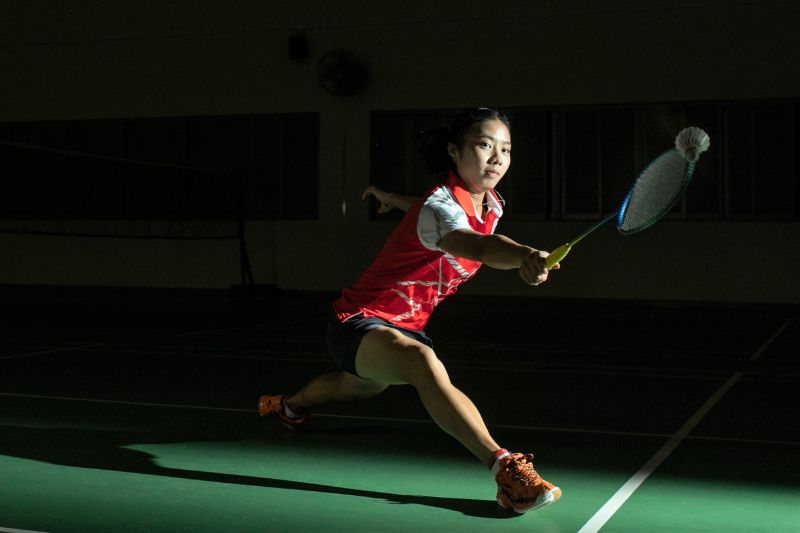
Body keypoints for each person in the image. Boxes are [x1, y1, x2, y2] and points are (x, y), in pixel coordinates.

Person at [258, 107, 561, 514]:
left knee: (352, 386)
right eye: (484, 145)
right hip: (358, 320)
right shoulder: (442, 207)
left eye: (505, 149)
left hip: (403, 328)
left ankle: (289, 406)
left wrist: (389, 198)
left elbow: (428, 210)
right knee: (422, 361)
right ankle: (505, 469)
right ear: (454, 151)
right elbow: (480, 246)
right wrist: (525, 254)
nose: (496, 158)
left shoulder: (491, 205)